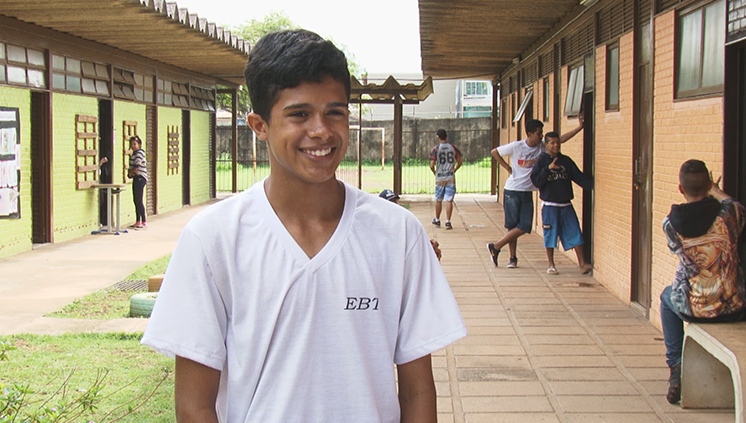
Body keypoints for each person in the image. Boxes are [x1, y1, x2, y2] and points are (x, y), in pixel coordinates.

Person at [142, 29, 466, 423]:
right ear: (259, 124)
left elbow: (417, 391)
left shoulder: (397, 235)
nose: (321, 131)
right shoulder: (214, 238)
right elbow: (194, 406)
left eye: (335, 111)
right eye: (299, 114)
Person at [659, 159, 746, 404]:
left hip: (694, 309)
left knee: (667, 298)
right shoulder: (730, 215)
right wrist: (716, 192)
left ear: (680, 189)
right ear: (708, 184)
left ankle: (676, 367)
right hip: (734, 307)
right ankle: (676, 367)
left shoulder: (670, 225)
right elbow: (733, 204)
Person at [487, 118, 583, 268]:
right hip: (512, 191)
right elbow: (495, 152)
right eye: (539, 133)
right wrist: (508, 168)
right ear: (530, 134)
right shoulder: (516, 146)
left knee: (525, 226)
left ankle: (496, 246)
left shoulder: (541, 147)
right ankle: (512, 258)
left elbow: (561, 139)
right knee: (513, 226)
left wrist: (579, 128)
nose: (541, 136)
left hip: (527, 191)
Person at [530, 132, 593, 275]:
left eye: (557, 142)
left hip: (566, 204)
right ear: (546, 144)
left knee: (575, 232)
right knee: (550, 234)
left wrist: (591, 184)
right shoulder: (541, 161)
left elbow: (578, 176)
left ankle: (582, 264)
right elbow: (536, 181)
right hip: (550, 205)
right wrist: (548, 169)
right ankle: (551, 264)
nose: (556, 145)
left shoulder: (566, 161)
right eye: (552, 143)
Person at [379, 188, 442, 261]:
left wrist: (427, 245)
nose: (394, 205)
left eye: (394, 201)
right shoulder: (378, 224)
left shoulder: (403, 220)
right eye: (390, 202)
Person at [429, 129, 462, 230]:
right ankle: (448, 221)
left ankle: (437, 219)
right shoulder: (453, 148)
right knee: (449, 200)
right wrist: (454, 170)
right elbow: (460, 162)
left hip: (440, 177)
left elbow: (431, 165)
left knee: (438, 199)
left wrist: (435, 172)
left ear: (437, 137)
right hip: (450, 177)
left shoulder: (435, 149)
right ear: (446, 136)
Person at [127, 135, 147, 229]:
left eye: (135, 144)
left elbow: (137, 167)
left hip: (140, 178)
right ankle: (138, 221)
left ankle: (143, 221)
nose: (133, 146)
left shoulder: (139, 153)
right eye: (132, 144)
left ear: (139, 144)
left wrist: (130, 173)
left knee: (138, 200)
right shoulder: (134, 154)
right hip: (136, 178)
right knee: (136, 200)